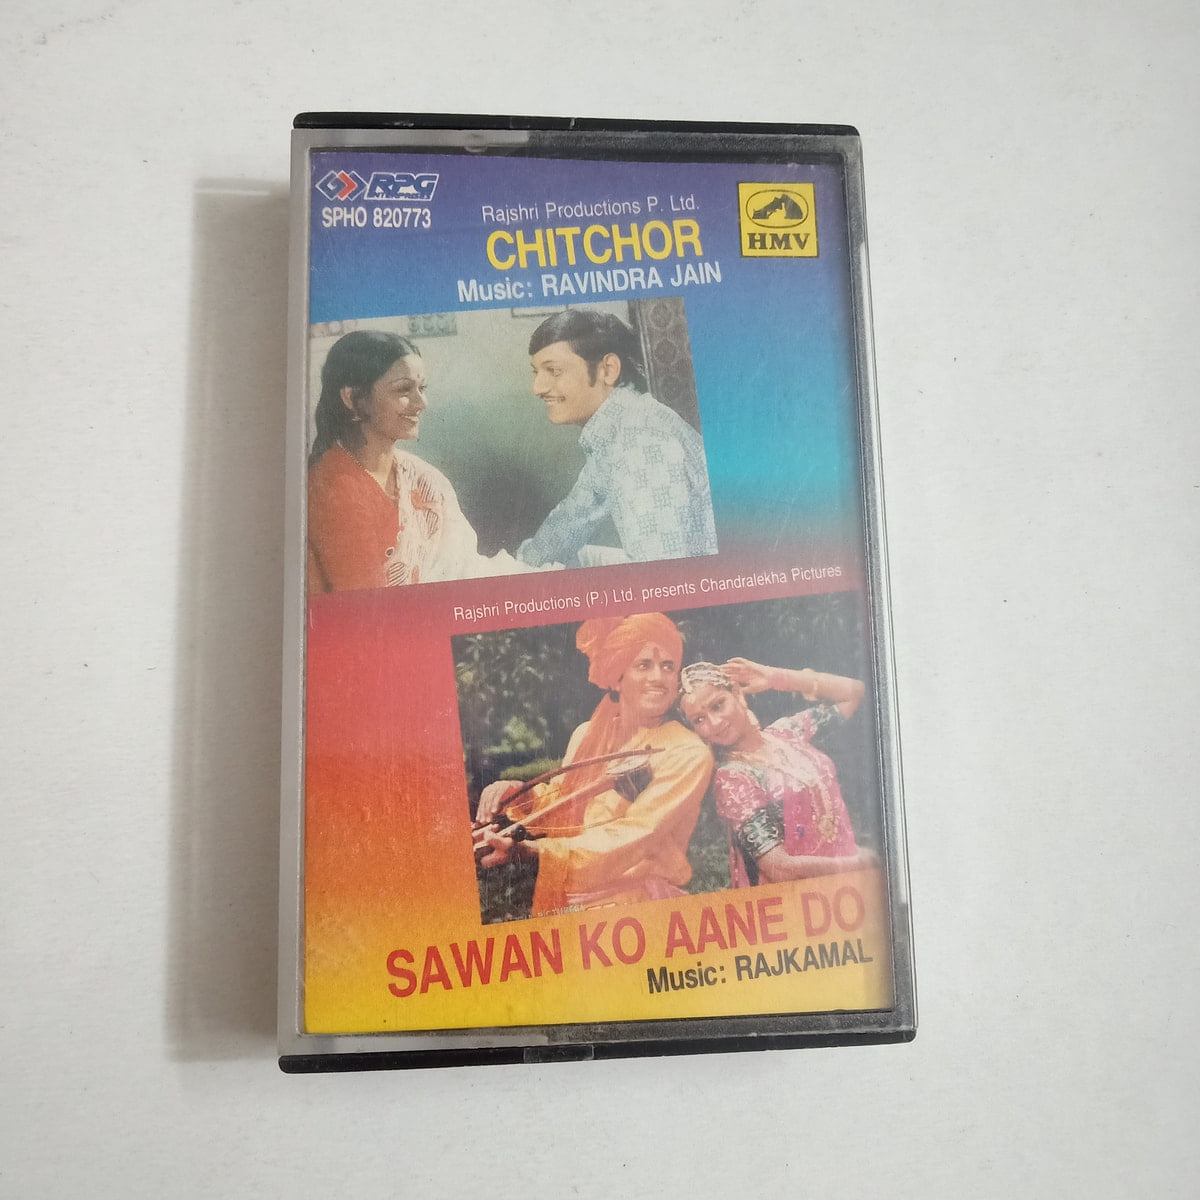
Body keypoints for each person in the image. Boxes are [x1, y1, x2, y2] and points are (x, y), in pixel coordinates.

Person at [474, 613, 714, 917]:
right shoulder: (587, 734)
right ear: (616, 676)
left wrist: (536, 854)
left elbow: (636, 835)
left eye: (668, 667)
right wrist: (518, 796)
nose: (658, 677)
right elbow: (563, 804)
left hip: (635, 905)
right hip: (562, 898)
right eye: (644, 665)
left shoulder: (687, 752)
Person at [307, 330, 533, 593]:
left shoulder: (424, 479)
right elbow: (368, 608)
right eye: (404, 389)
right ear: (353, 398)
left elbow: (466, 568)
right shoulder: (331, 487)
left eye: (421, 388)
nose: (421, 402)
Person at [515, 310, 718, 569]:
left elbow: (663, 575)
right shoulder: (617, 427)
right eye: (536, 372)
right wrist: (519, 565)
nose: (537, 388)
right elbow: (573, 517)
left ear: (608, 370)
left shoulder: (641, 443)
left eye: (554, 370)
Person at [678, 658, 877, 887]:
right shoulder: (732, 778)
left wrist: (776, 677)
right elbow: (778, 868)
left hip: (846, 885)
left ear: (736, 693)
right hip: (799, 898)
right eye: (699, 720)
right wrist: (856, 864)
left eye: (717, 705)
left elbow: (854, 692)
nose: (714, 723)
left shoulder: (788, 732)